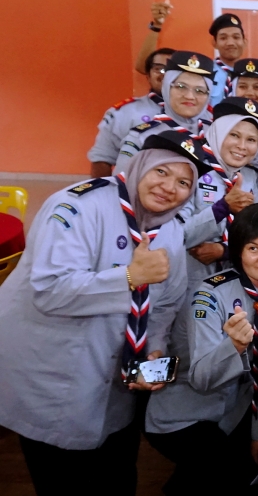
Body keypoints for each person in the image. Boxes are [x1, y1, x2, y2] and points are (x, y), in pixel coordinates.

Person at [0, 131, 208, 494]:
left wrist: (154, 350)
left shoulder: (171, 229)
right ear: (140, 165)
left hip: (116, 384)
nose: (169, 187)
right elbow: (49, 291)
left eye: (183, 182)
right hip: (53, 373)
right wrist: (129, 277)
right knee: (61, 480)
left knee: (118, 476)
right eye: (161, 171)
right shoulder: (77, 206)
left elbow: (166, 304)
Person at [144, 203, 258, 494]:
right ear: (238, 251)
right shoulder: (209, 295)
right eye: (253, 248)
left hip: (233, 410)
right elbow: (202, 380)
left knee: (257, 469)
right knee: (233, 479)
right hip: (183, 414)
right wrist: (234, 345)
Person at [181, 98, 258, 286]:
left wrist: (226, 251)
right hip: (189, 281)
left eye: (251, 140)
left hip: (238, 285)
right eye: (234, 135)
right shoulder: (190, 170)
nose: (242, 146)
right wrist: (223, 207)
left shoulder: (250, 177)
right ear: (218, 132)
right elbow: (179, 235)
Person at [116, 51, 215, 173]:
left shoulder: (219, 135)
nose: (189, 96)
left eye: (200, 90)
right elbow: (123, 182)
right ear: (167, 88)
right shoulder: (140, 137)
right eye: (181, 86)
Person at [89, 47, 174, 177]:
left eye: (171, 70)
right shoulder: (123, 113)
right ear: (148, 76)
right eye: (158, 69)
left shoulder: (200, 115)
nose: (165, 74)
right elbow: (102, 159)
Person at [208, 13, 248, 106]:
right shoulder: (206, 72)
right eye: (223, 38)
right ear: (214, 43)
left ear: (244, 42)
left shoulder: (253, 75)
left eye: (236, 37)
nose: (230, 43)